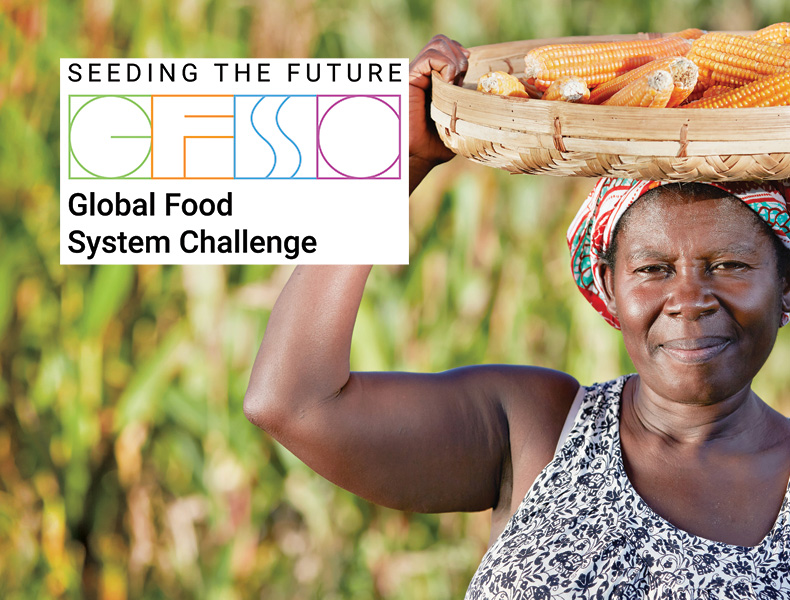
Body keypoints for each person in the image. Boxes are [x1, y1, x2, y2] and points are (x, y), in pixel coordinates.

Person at [244, 35, 790, 597]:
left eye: (728, 265)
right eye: (653, 269)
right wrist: (398, 165)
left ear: (786, 286)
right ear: (607, 284)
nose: (689, 298)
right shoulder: (538, 425)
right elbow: (292, 402)